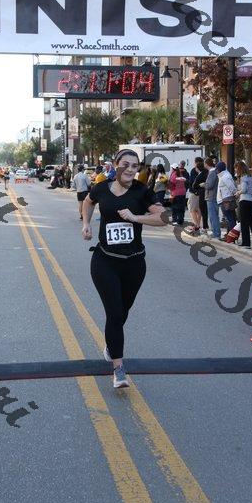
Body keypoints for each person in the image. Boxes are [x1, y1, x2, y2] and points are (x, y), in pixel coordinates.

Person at [81, 149, 165, 388]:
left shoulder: (142, 192)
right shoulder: (101, 188)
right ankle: (118, 369)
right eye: (125, 164)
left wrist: (136, 218)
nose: (130, 169)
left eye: (135, 166)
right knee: (115, 313)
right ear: (115, 165)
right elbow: (88, 202)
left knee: (123, 311)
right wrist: (86, 223)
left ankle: (112, 345)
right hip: (105, 261)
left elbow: (163, 217)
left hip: (134, 263)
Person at [216, 161, 237, 233]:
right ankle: (229, 234)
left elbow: (231, 187)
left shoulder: (224, 176)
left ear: (219, 169)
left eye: (217, 169)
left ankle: (232, 235)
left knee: (230, 218)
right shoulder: (224, 175)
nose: (216, 170)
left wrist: (235, 193)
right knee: (231, 218)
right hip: (227, 198)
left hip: (226, 199)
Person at [204, 157, 221, 239]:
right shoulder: (214, 172)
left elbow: (209, 185)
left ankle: (216, 233)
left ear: (206, 164)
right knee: (213, 215)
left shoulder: (212, 172)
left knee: (213, 216)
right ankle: (215, 232)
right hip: (213, 196)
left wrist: (204, 184)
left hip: (212, 196)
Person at [186, 158, 203, 234]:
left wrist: (186, 181)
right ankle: (198, 224)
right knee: (199, 209)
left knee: (192, 209)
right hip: (201, 193)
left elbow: (192, 181)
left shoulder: (194, 170)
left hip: (194, 193)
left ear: (196, 163)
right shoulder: (205, 171)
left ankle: (196, 225)